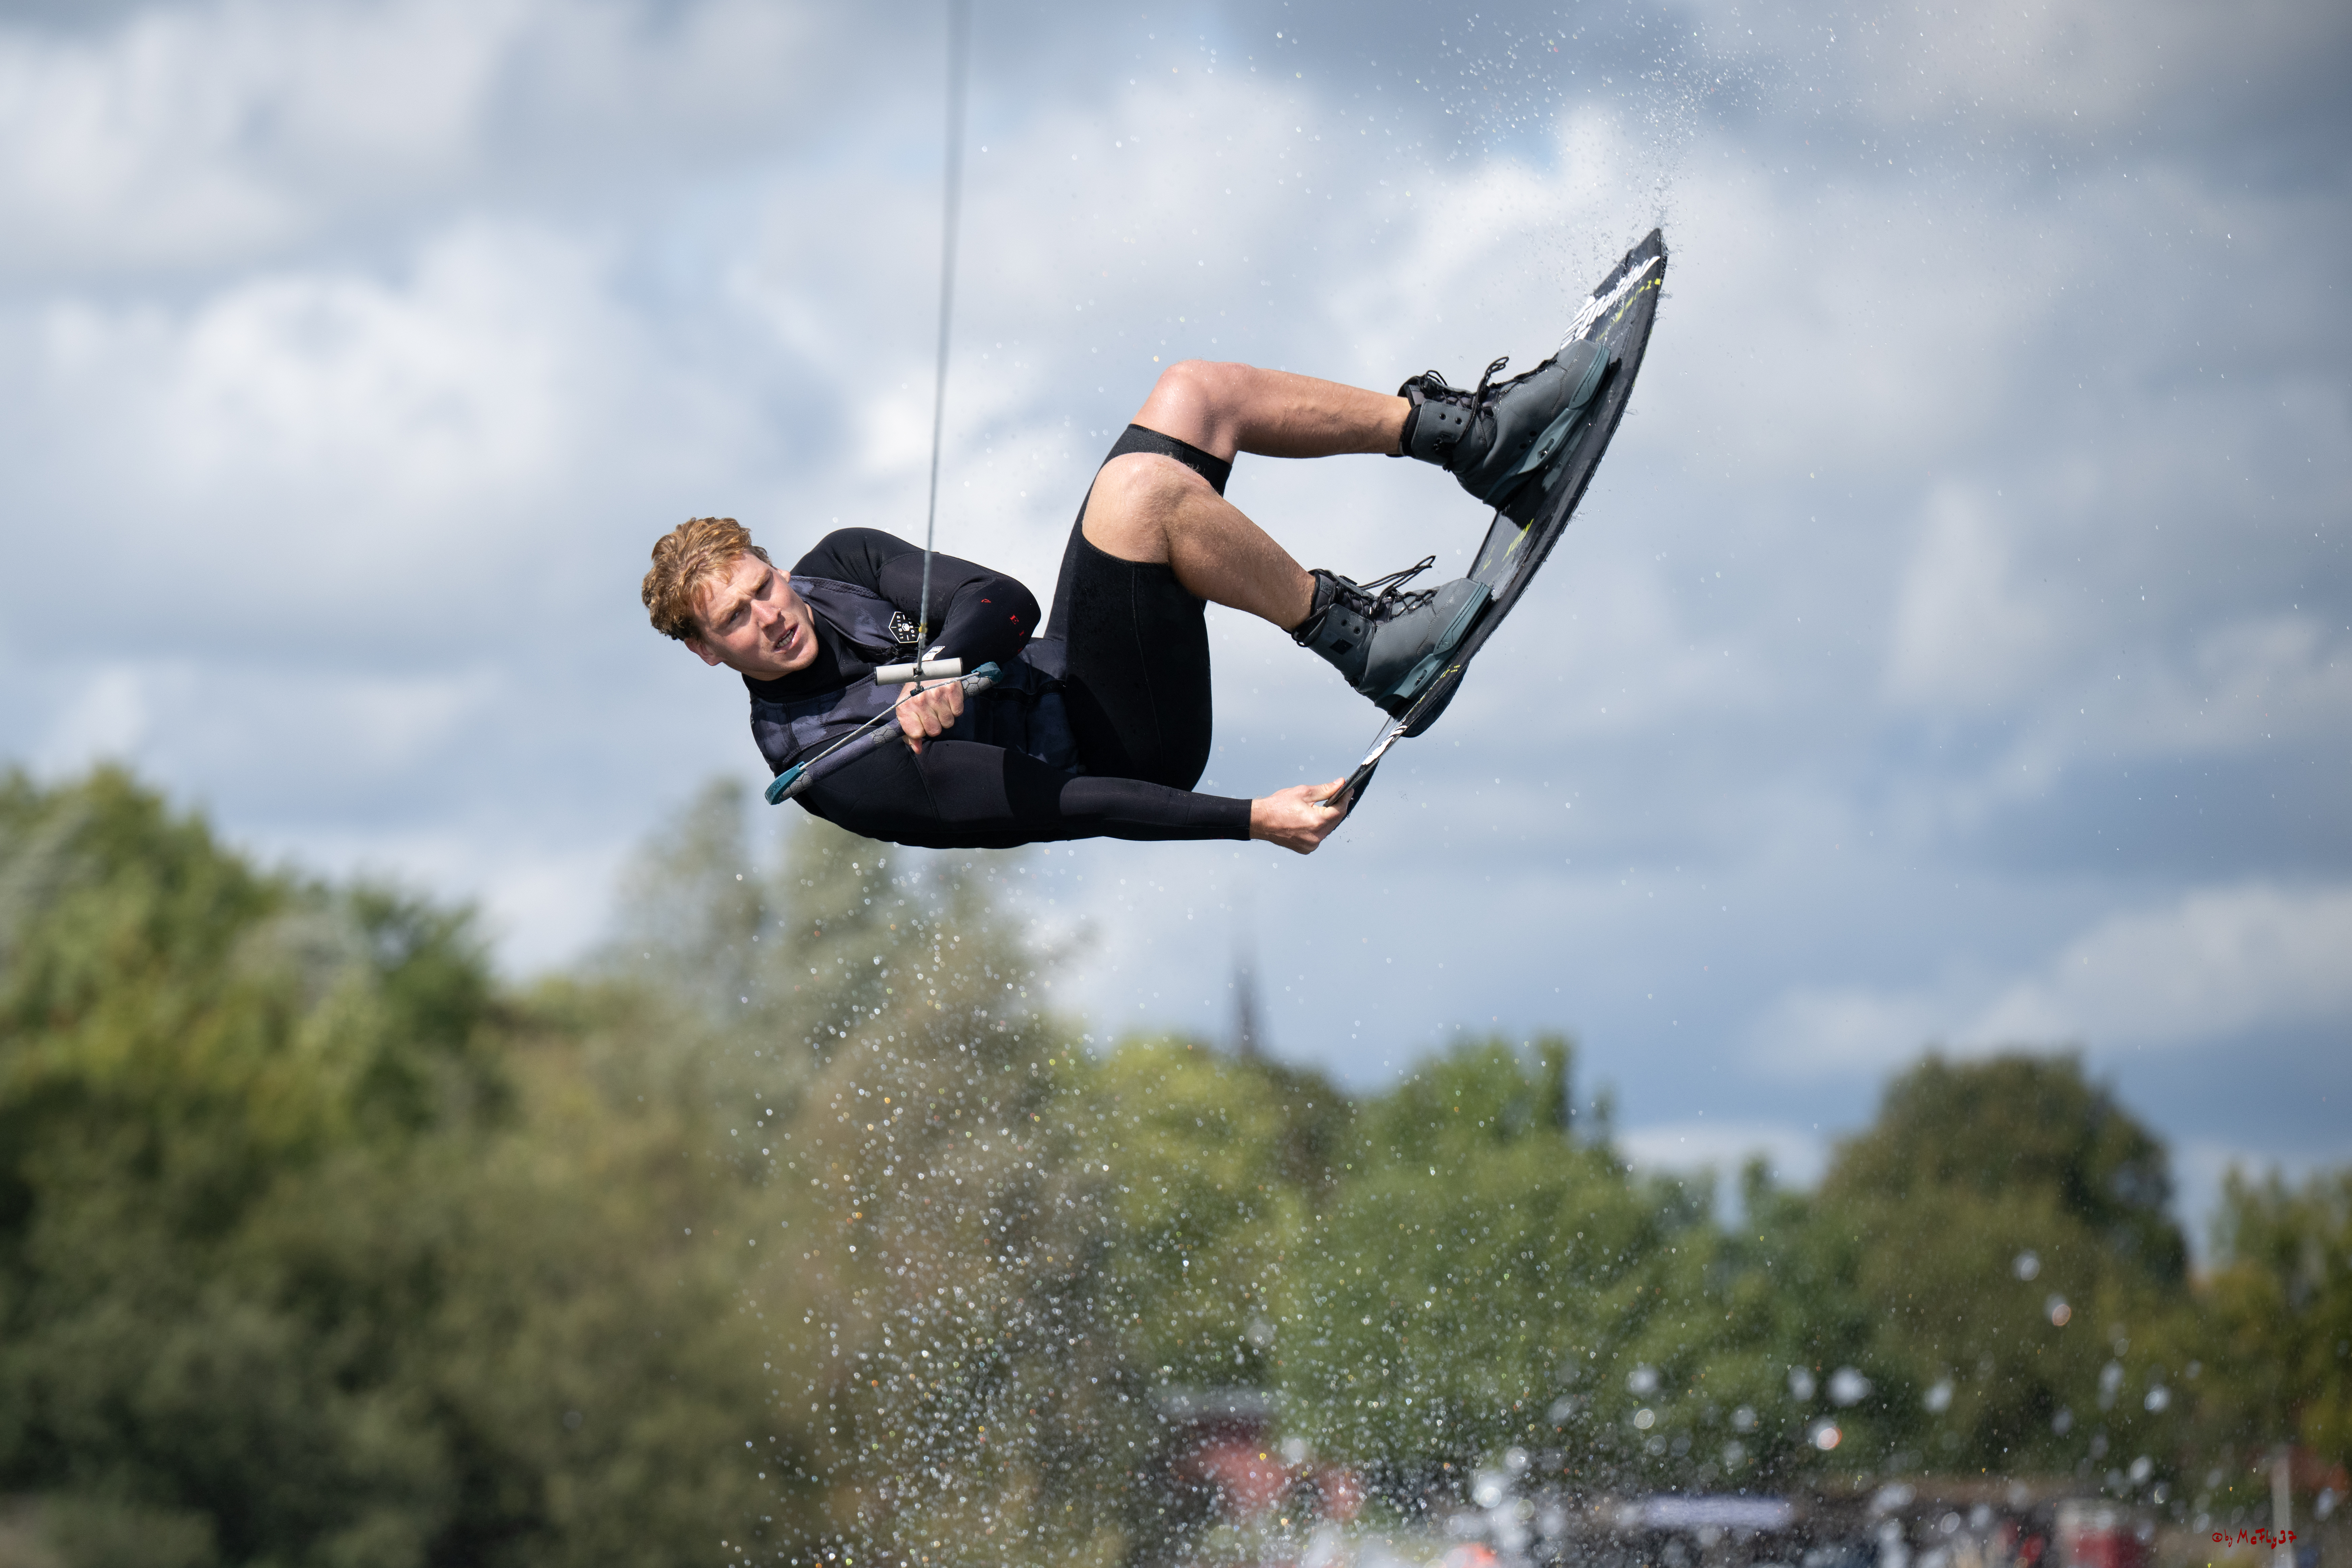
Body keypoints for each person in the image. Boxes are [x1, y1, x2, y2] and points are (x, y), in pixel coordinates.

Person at [641, 345, 1606, 855]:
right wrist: (1250, 819)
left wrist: (944, 674)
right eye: (735, 621)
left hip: (1073, 663)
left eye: (760, 587)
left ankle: (1471, 439)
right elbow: (1068, 805)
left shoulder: (840, 563)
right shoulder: (833, 768)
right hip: (1123, 745)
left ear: (772, 564)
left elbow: (1003, 602)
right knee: (1139, 495)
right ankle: (1371, 649)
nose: (768, 616)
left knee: (1192, 390)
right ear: (708, 653)